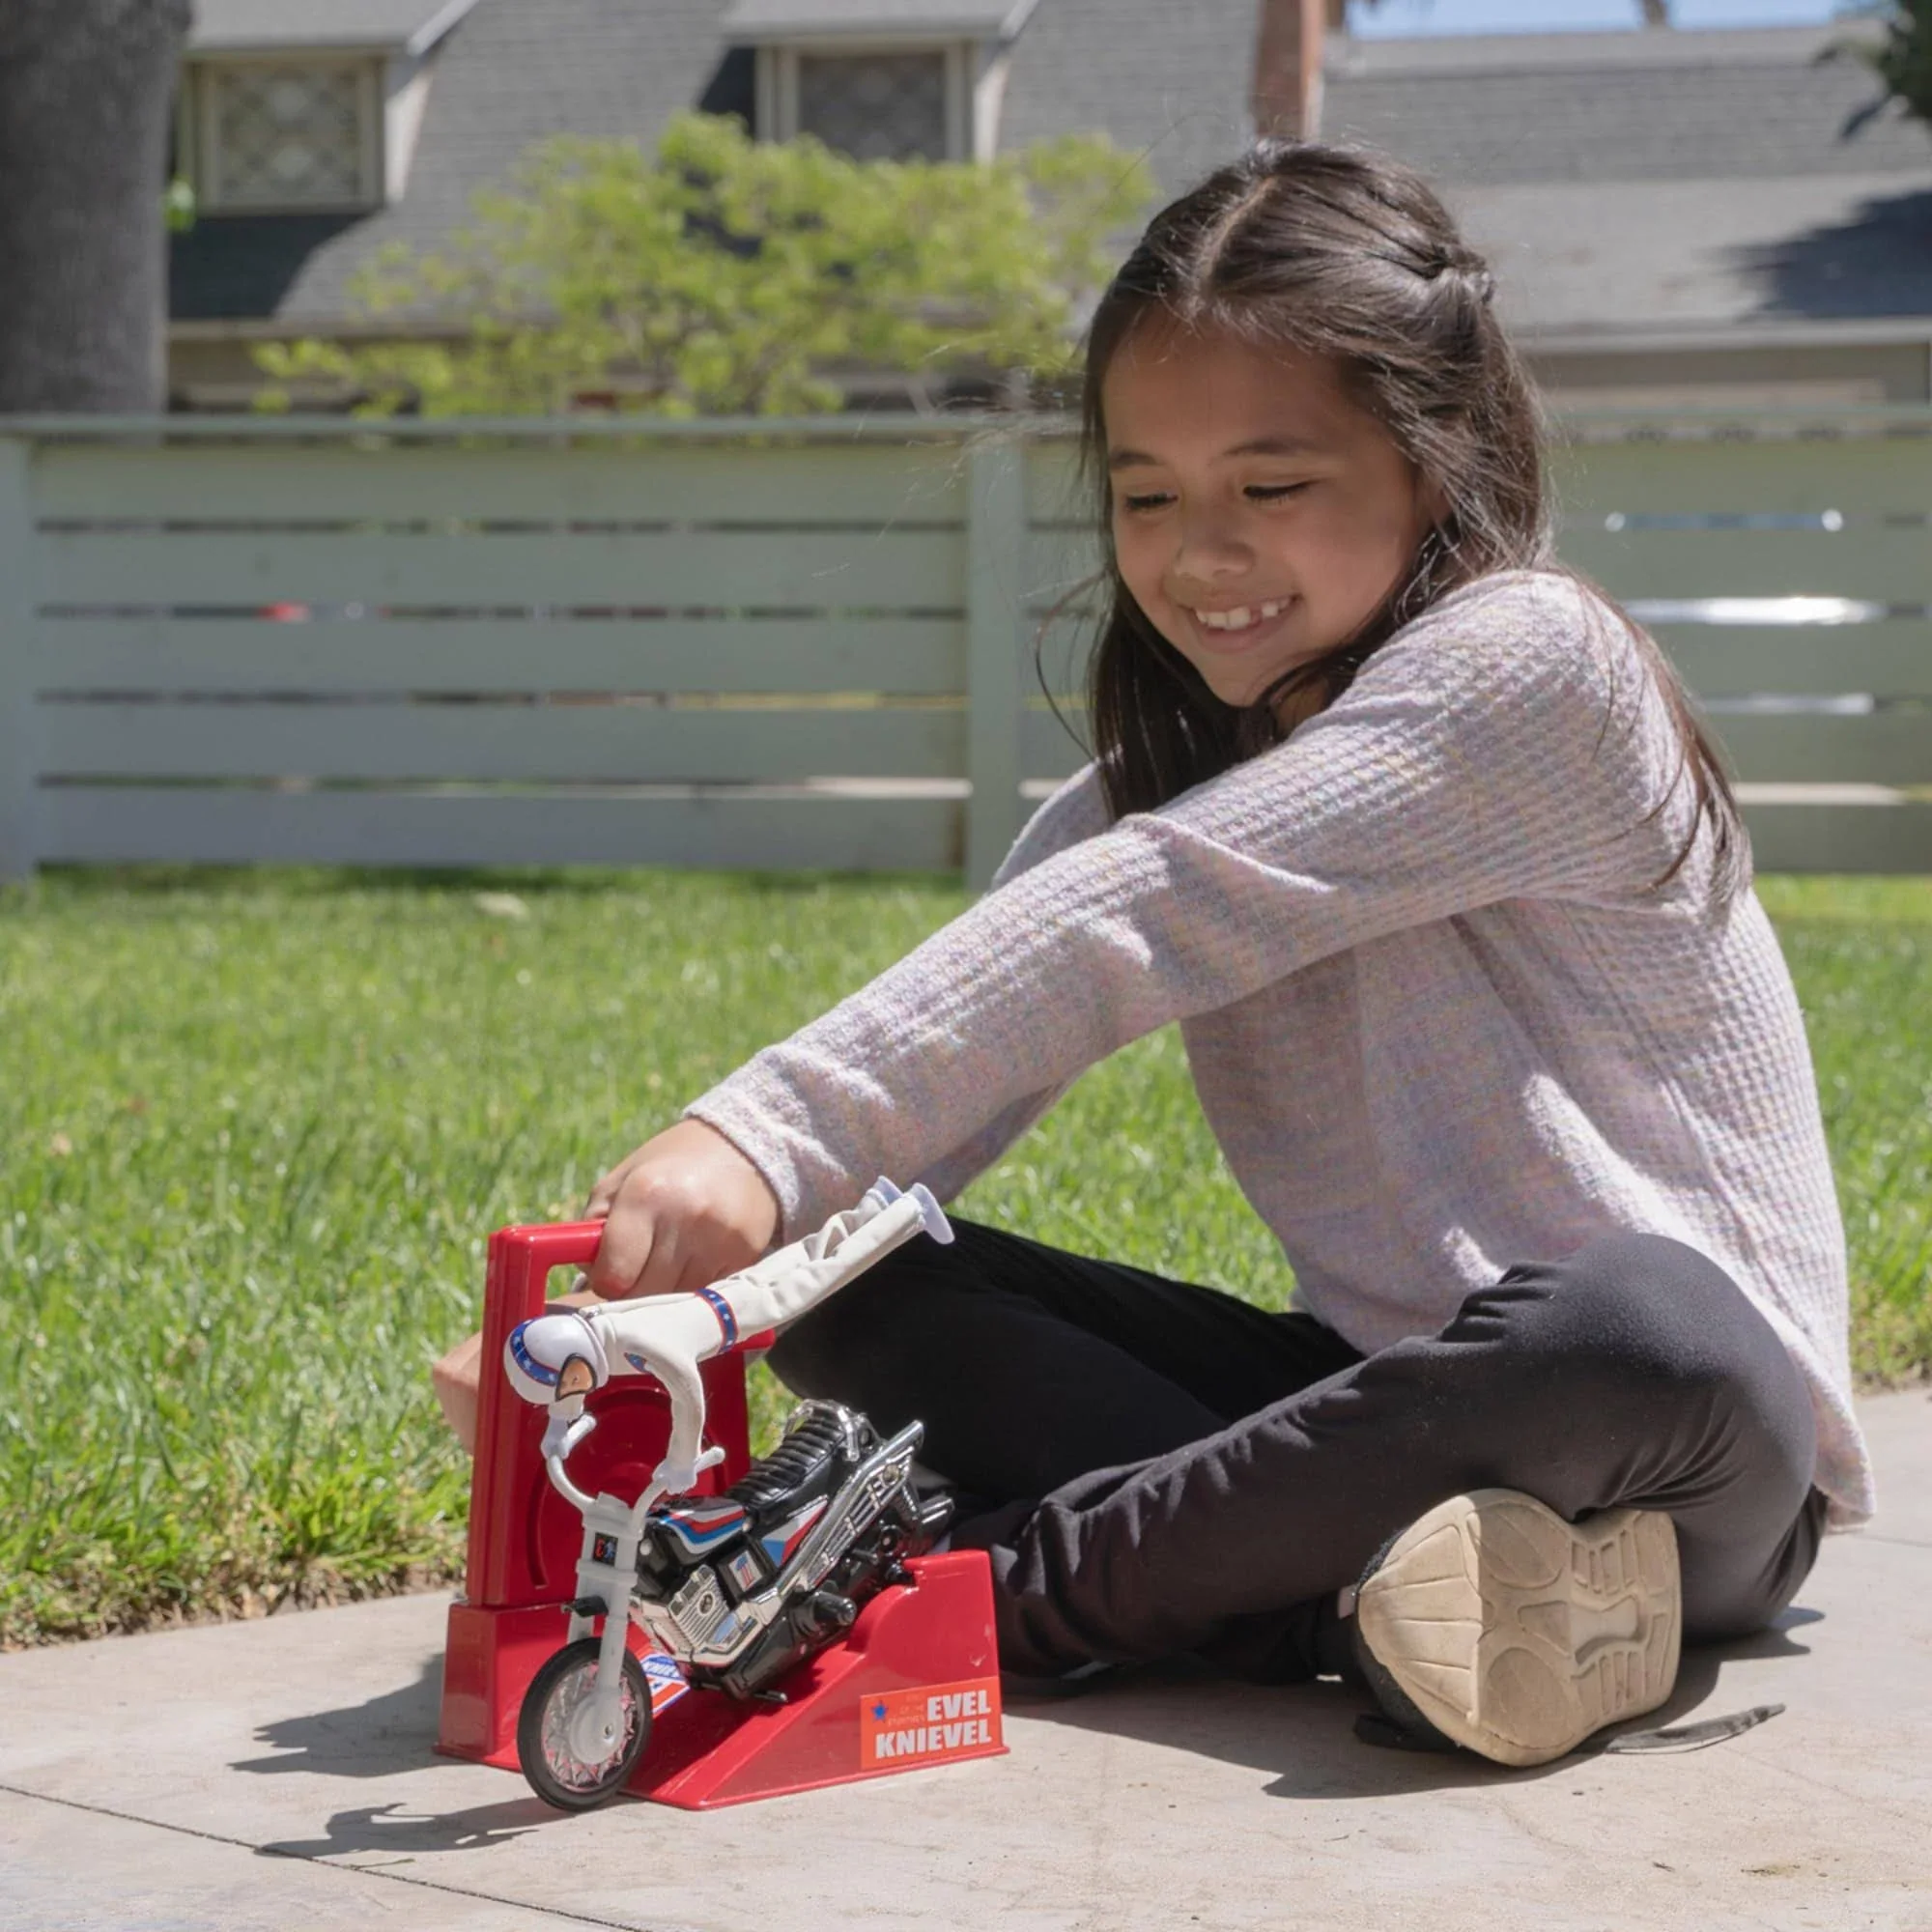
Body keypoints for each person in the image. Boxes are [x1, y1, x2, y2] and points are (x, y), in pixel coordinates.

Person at [576, 143, 1869, 1767]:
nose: (1200, 555)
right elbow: (984, 1040)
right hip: (1370, 1410)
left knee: (1643, 1321)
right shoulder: (1182, 777)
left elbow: (1142, 911)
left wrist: (767, 1128)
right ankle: (1382, 1611)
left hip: (1684, 1452)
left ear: (1437, 461)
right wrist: (649, 1326)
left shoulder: (1539, 661)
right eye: (1147, 497)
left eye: (1270, 488)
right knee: (848, 1280)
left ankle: (982, 1588)